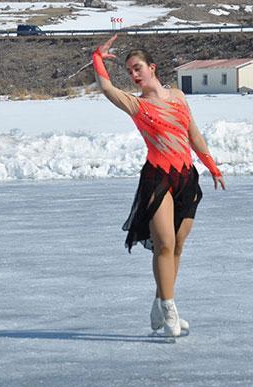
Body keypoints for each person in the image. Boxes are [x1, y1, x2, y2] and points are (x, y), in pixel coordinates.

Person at [92, 35, 225, 337]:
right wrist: (97, 57)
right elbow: (107, 88)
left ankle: (159, 300)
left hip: (186, 177)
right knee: (164, 244)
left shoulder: (178, 97)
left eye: (137, 68)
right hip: (157, 178)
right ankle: (170, 308)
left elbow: (193, 133)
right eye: (129, 71)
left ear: (152, 68)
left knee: (178, 245)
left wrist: (212, 166)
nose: (134, 75)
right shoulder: (137, 105)